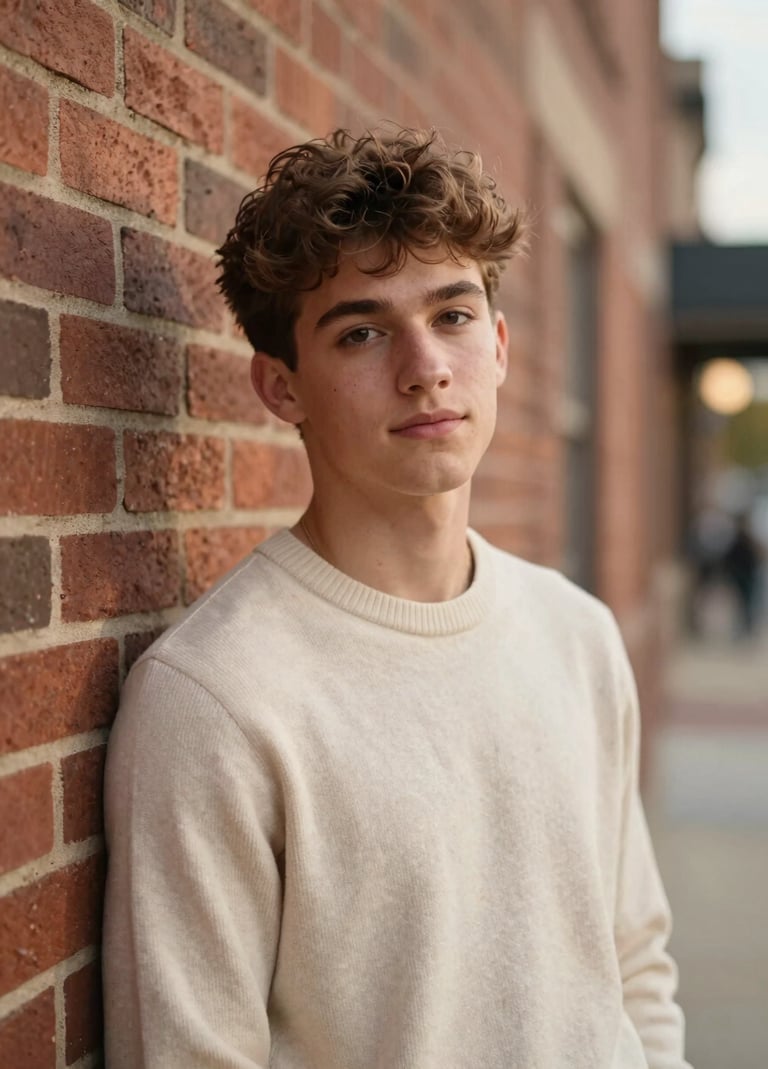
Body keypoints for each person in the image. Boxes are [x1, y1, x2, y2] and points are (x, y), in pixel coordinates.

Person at [103, 128, 692, 1068]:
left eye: (453, 315)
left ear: (497, 347)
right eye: (363, 331)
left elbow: (633, 970)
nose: (425, 366)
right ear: (280, 387)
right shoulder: (216, 698)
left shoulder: (577, 634)